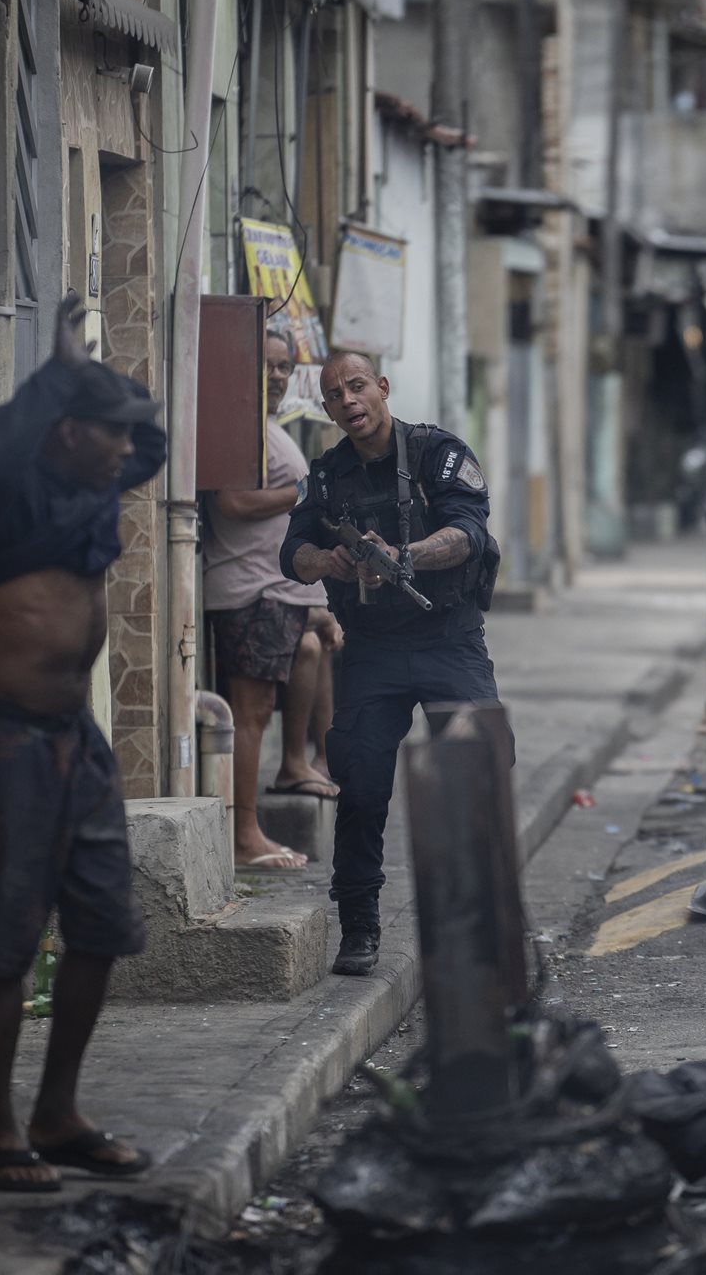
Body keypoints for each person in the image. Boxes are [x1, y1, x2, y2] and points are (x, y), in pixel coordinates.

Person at [0, 293, 162, 1192]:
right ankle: (0, 1138)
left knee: (102, 926)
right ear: (67, 432)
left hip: (79, 742)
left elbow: (150, 443)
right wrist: (60, 368)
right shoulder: (3, 498)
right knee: (8, 942)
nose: (124, 448)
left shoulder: (93, 490)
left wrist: (104, 383)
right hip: (8, 739)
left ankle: (57, 1113)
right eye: (105, 431)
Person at [280, 351, 502, 977]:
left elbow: (469, 532)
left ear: (381, 388)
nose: (348, 401)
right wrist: (331, 562)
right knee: (361, 789)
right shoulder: (325, 477)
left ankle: (477, 924)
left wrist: (405, 556)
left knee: (474, 776)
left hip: (448, 640)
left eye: (357, 387)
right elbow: (291, 552)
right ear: (325, 409)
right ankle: (359, 928)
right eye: (334, 394)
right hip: (372, 649)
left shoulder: (438, 454)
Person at [203, 330, 344, 872]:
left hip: (272, 591)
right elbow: (234, 502)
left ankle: (263, 812)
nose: (279, 376)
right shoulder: (239, 428)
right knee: (251, 714)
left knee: (261, 707)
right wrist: (309, 492)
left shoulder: (267, 428)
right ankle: (244, 836)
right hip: (250, 590)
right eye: (268, 365)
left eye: (286, 367)